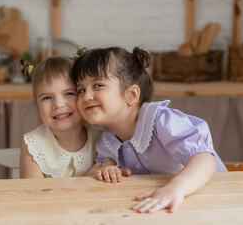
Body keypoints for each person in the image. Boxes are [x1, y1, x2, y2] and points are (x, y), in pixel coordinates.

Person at [72, 46, 228, 213]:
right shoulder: (106, 144)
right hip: (165, 209)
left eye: (98, 85)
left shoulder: (162, 120)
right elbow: (107, 174)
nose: (86, 96)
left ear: (131, 95)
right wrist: (107, 171)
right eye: (81, 90)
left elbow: (204, 158)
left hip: (216, 200)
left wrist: (177, 188)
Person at [19, 56, 127, 179]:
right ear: (36, 104)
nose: (58, 104)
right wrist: (85, 179)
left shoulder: (102, 138)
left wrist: (110, 171)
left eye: (69, 93)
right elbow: (33, 195)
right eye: (47, 98)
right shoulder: (33, 144)